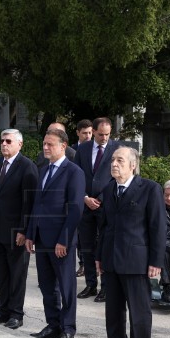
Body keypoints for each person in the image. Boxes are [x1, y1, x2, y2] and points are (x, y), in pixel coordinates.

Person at [94, 147, 166, 338]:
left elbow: (158, 227)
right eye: (113, 160)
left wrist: (156, 261)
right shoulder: (108, 189)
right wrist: (99, 256)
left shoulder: (149, 189)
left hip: (136, 260)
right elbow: (103, 226)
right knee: (113, 308)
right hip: (111, 259)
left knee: (139, 309)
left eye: (120, 160)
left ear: (132, 165)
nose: (114, 164)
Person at [25, 128, 85, 338]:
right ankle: (53, 324)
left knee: (66, 286)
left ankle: (68, 328)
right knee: (46, 284)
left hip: (61, 241)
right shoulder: (43, 170)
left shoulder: (74, 172)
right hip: (41, 238)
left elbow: (76, 209)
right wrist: (31, 233)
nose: (45, 147)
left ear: (63, 146)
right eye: (44, 144)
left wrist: (64, 240)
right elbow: (37, 205)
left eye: (50, 144)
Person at [0, 129, 37, 329]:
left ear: (19, 144)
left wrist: (24, 231)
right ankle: (3, 309)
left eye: (8, 141)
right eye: (2, 141)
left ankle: (16, 313)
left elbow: (29, 203)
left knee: (17, 273)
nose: (4, 144)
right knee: (2, 271)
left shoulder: (27, 167)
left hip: (17, 231)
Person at [73, 117, 118, 302]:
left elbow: (119, 177)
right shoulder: (82, 149)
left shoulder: (117, 148)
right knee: (87, 246)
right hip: (85, 204)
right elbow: (75, 174)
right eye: (101, 134)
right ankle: (91, 284)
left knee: (105, 246)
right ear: (94, 131)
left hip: (106, 204)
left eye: (107, 134)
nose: (104, 138)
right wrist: (84, 197)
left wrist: (99, 199)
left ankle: (106, 287)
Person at [74, 119, 93, 278]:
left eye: (90, 133)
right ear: (78, 133)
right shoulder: (72, 150)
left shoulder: (97, 150)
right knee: (80, 237)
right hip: (78, 199)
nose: (88, 136)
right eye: (84, 133)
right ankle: (83, 264)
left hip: (97, 201)